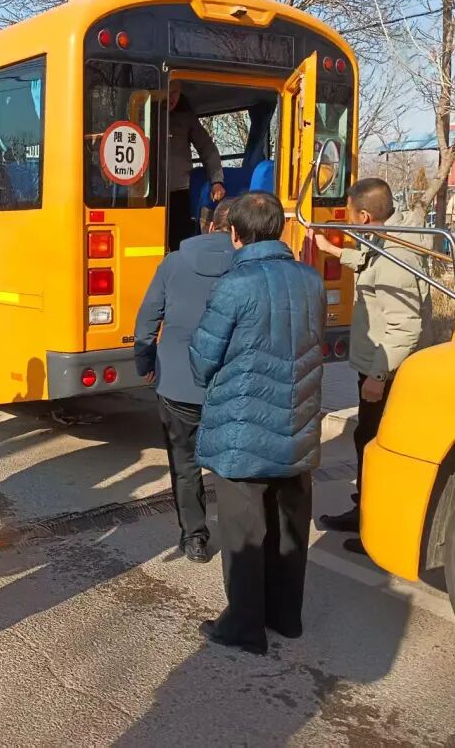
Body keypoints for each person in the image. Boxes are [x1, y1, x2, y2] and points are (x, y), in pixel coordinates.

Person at [189, 191, 325, 655]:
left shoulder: (234, 285)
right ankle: (286, 617)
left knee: (245, 533)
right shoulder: (312, 280)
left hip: (242, 430)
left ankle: (244, 627)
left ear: (234, 233)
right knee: (290, 526)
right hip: (297, 422)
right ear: (281, 230)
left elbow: (203, 360)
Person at [314, 178, 432, 553]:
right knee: (365, 438)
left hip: (386, 368)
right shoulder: (389, 238)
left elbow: (404, 326)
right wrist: (332, 251)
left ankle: (377, 530)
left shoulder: (400, 258)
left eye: (350, 213)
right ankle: (365, 508)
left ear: (364, 216)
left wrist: (378, 377)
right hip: (377, 364)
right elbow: (368, 262)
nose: (348, 219)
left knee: (377, 445)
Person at [134, 199, 235, 563]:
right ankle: (241, 536)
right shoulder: (247, 267)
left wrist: (144, 362)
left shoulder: (173, 262)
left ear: (209, 226)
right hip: (229, 384)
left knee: (185, 461)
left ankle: (195, 537)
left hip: (178, 382)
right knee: (231, 462)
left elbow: (147, 319)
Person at [167, 82, 225, 251]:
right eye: (168, 92)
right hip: (142, 194)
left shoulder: (186, 117)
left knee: (180, 244)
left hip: (178, 192)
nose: (171, 98)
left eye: (175, 93)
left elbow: (208, 149)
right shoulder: (139, 111)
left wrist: (216, 181)